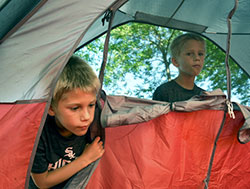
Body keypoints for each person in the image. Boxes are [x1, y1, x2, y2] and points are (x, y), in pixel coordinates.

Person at [29, 55, 105, 188]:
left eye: (91, 105)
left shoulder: (94, 125)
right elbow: (42, 182)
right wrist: (85, 159)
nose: (86, 116)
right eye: (75, 108)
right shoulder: (38, 134)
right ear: (51, 108)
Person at [153, 33, 206, 102]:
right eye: (189, 54)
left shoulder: (205, 96)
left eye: (200, 54)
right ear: (175, 62)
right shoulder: (164, 92)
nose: (197, 58)